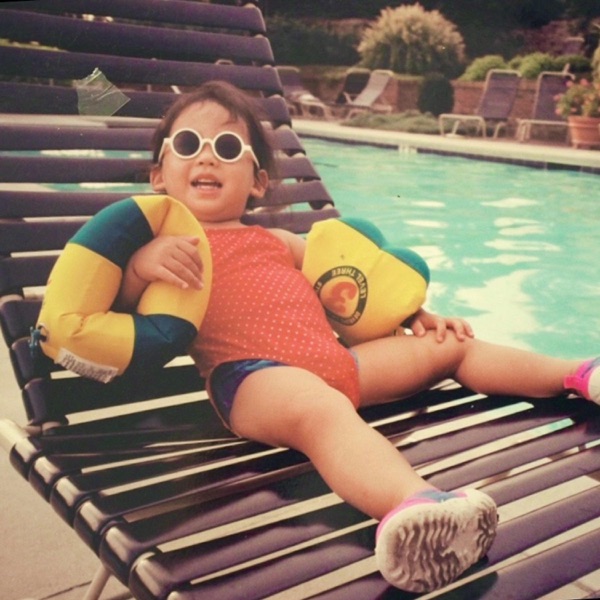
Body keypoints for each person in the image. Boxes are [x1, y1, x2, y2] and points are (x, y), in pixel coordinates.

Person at [116, 80, 599, 594]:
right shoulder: (167, 249)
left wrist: (417, 315)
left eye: (229, 147)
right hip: (251, 379)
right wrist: (141, 266)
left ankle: (577, 373)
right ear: (158, 175)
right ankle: (415, 506)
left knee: (451, 344)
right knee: (319, 409)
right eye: (189, 144)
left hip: (338, 364)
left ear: (257, 181)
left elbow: (351, 283)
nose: (208, 158)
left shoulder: (279, 242)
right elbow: (118, 311)